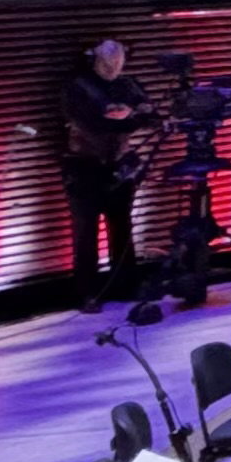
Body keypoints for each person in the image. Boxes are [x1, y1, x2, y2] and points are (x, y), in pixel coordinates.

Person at [57, 35, 151, 305]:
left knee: (122, 228)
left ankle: (126, 287)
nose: (113, 69)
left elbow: (149, 113)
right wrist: (126, 120)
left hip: (120, 166)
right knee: (86, 232)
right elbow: (89, 122)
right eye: (107, 64)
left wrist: (130, 114)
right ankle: (87, 293)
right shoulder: (77, 87)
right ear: (94, 61)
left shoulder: (127, 85)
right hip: (84, 167)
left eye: (118, 63)